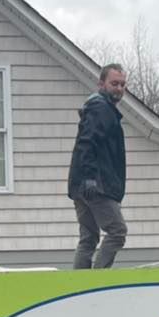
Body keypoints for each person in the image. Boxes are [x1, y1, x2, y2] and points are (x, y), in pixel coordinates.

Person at [67, 64, 128, 269]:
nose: (119, 88)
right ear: (101, 84)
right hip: (96, 185)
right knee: (117, 231)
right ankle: (97, 282)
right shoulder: (101, 108)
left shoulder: (98, 109)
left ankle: (80, 287)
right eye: (114, 84)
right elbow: (87, 142)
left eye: (122, 84)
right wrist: (90, 177)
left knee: (89, 238)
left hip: (81, 185)